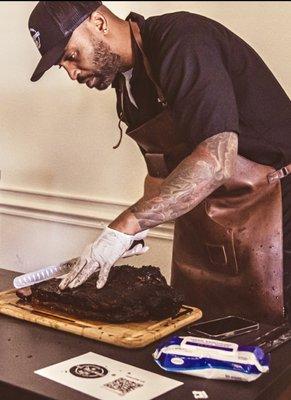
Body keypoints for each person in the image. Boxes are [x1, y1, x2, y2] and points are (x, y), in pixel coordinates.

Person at [28, 1, 291, 323]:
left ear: (98, 22)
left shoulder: (183, 39)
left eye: (70, 56)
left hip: (277, 207)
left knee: (272, 342)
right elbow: (159, 174)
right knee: (201, 328)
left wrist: (126, 225)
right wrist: (139, 229)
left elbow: (218, 158)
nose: (72, 73)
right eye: (62, 66)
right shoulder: (127, 87)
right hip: (211, 219)